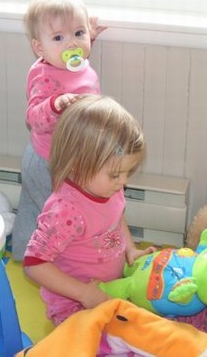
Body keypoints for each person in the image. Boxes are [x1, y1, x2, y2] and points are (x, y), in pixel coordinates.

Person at [23, 94, 156, 326]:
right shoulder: (66, 211)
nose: (123, 181)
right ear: (77, 164)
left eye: (128, 172)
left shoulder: (109, 188)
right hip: (74, 304)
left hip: (112, 288)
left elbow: (116, 217)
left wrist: (130, 249)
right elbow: (34, 264)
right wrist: (84, 293)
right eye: (115, 174)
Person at [12, 0, 106, 261]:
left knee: (52, 210)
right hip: (48, 161)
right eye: (58, 38)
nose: (71, 45)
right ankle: (34, 257)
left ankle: (42, 253)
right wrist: (54, 105)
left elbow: (75, 52)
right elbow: (33, 118)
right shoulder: (45, 76)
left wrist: (88, 37)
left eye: (78, 33)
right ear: (39, 48)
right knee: (47, 212)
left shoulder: (74, 62)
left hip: (73, 154)